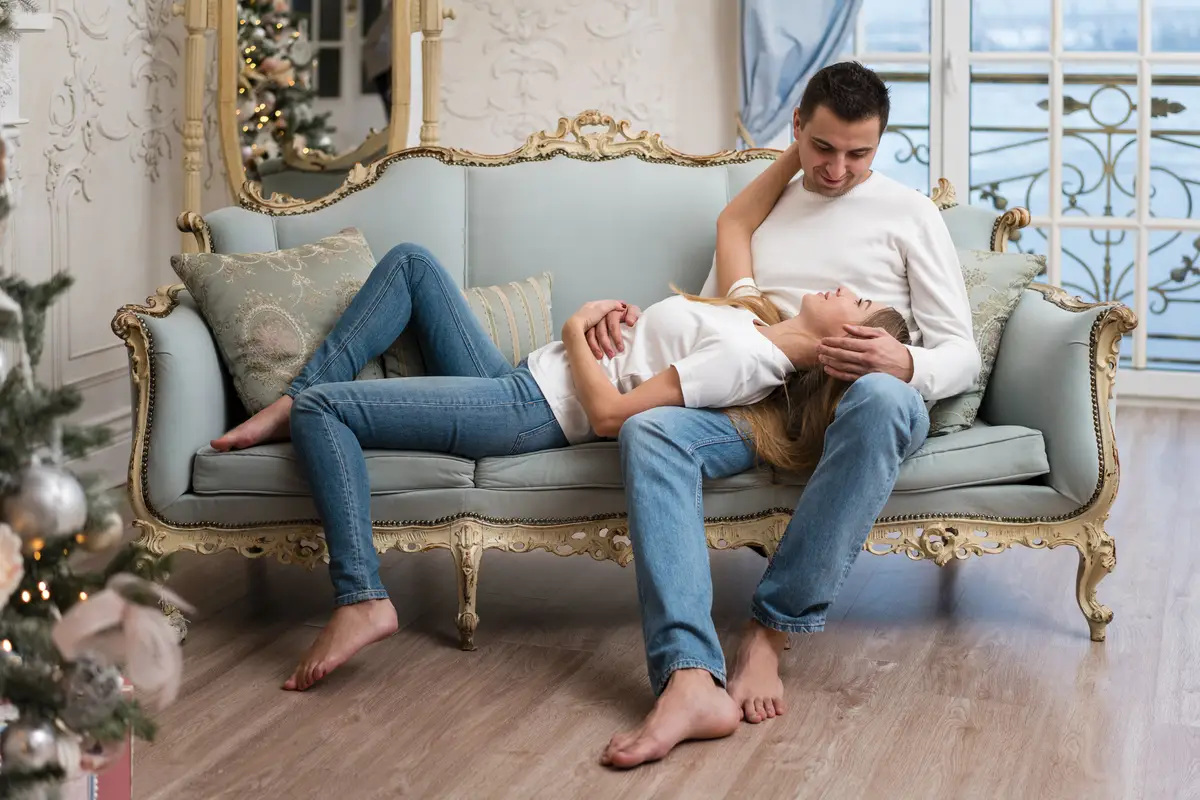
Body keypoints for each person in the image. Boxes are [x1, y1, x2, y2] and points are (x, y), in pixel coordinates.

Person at [210, 241, 909, 692]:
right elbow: (655, 344)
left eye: (858, 301)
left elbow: (611, 415)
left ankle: (359, 594)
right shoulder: (750, 324)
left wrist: (578, 328)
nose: (844, 287)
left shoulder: (751, 360)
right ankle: (295, 399)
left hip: (531, 409)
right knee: (412, 265)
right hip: (526, 376)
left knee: (325, 412)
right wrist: (616, 321)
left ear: (847, 339)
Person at [598, 61, 981, 769]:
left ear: (881, 144)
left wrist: (908, 365)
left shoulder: (909, 214)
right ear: (797, 128)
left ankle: (769, 634)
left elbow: (963, 352)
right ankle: (687, 679)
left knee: (883, 397)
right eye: (823, 148)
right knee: (652, 429)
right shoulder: (767, 202)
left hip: (862, 397)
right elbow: (721, 318)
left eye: (858, 154)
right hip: (758, 393)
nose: (837, 169)